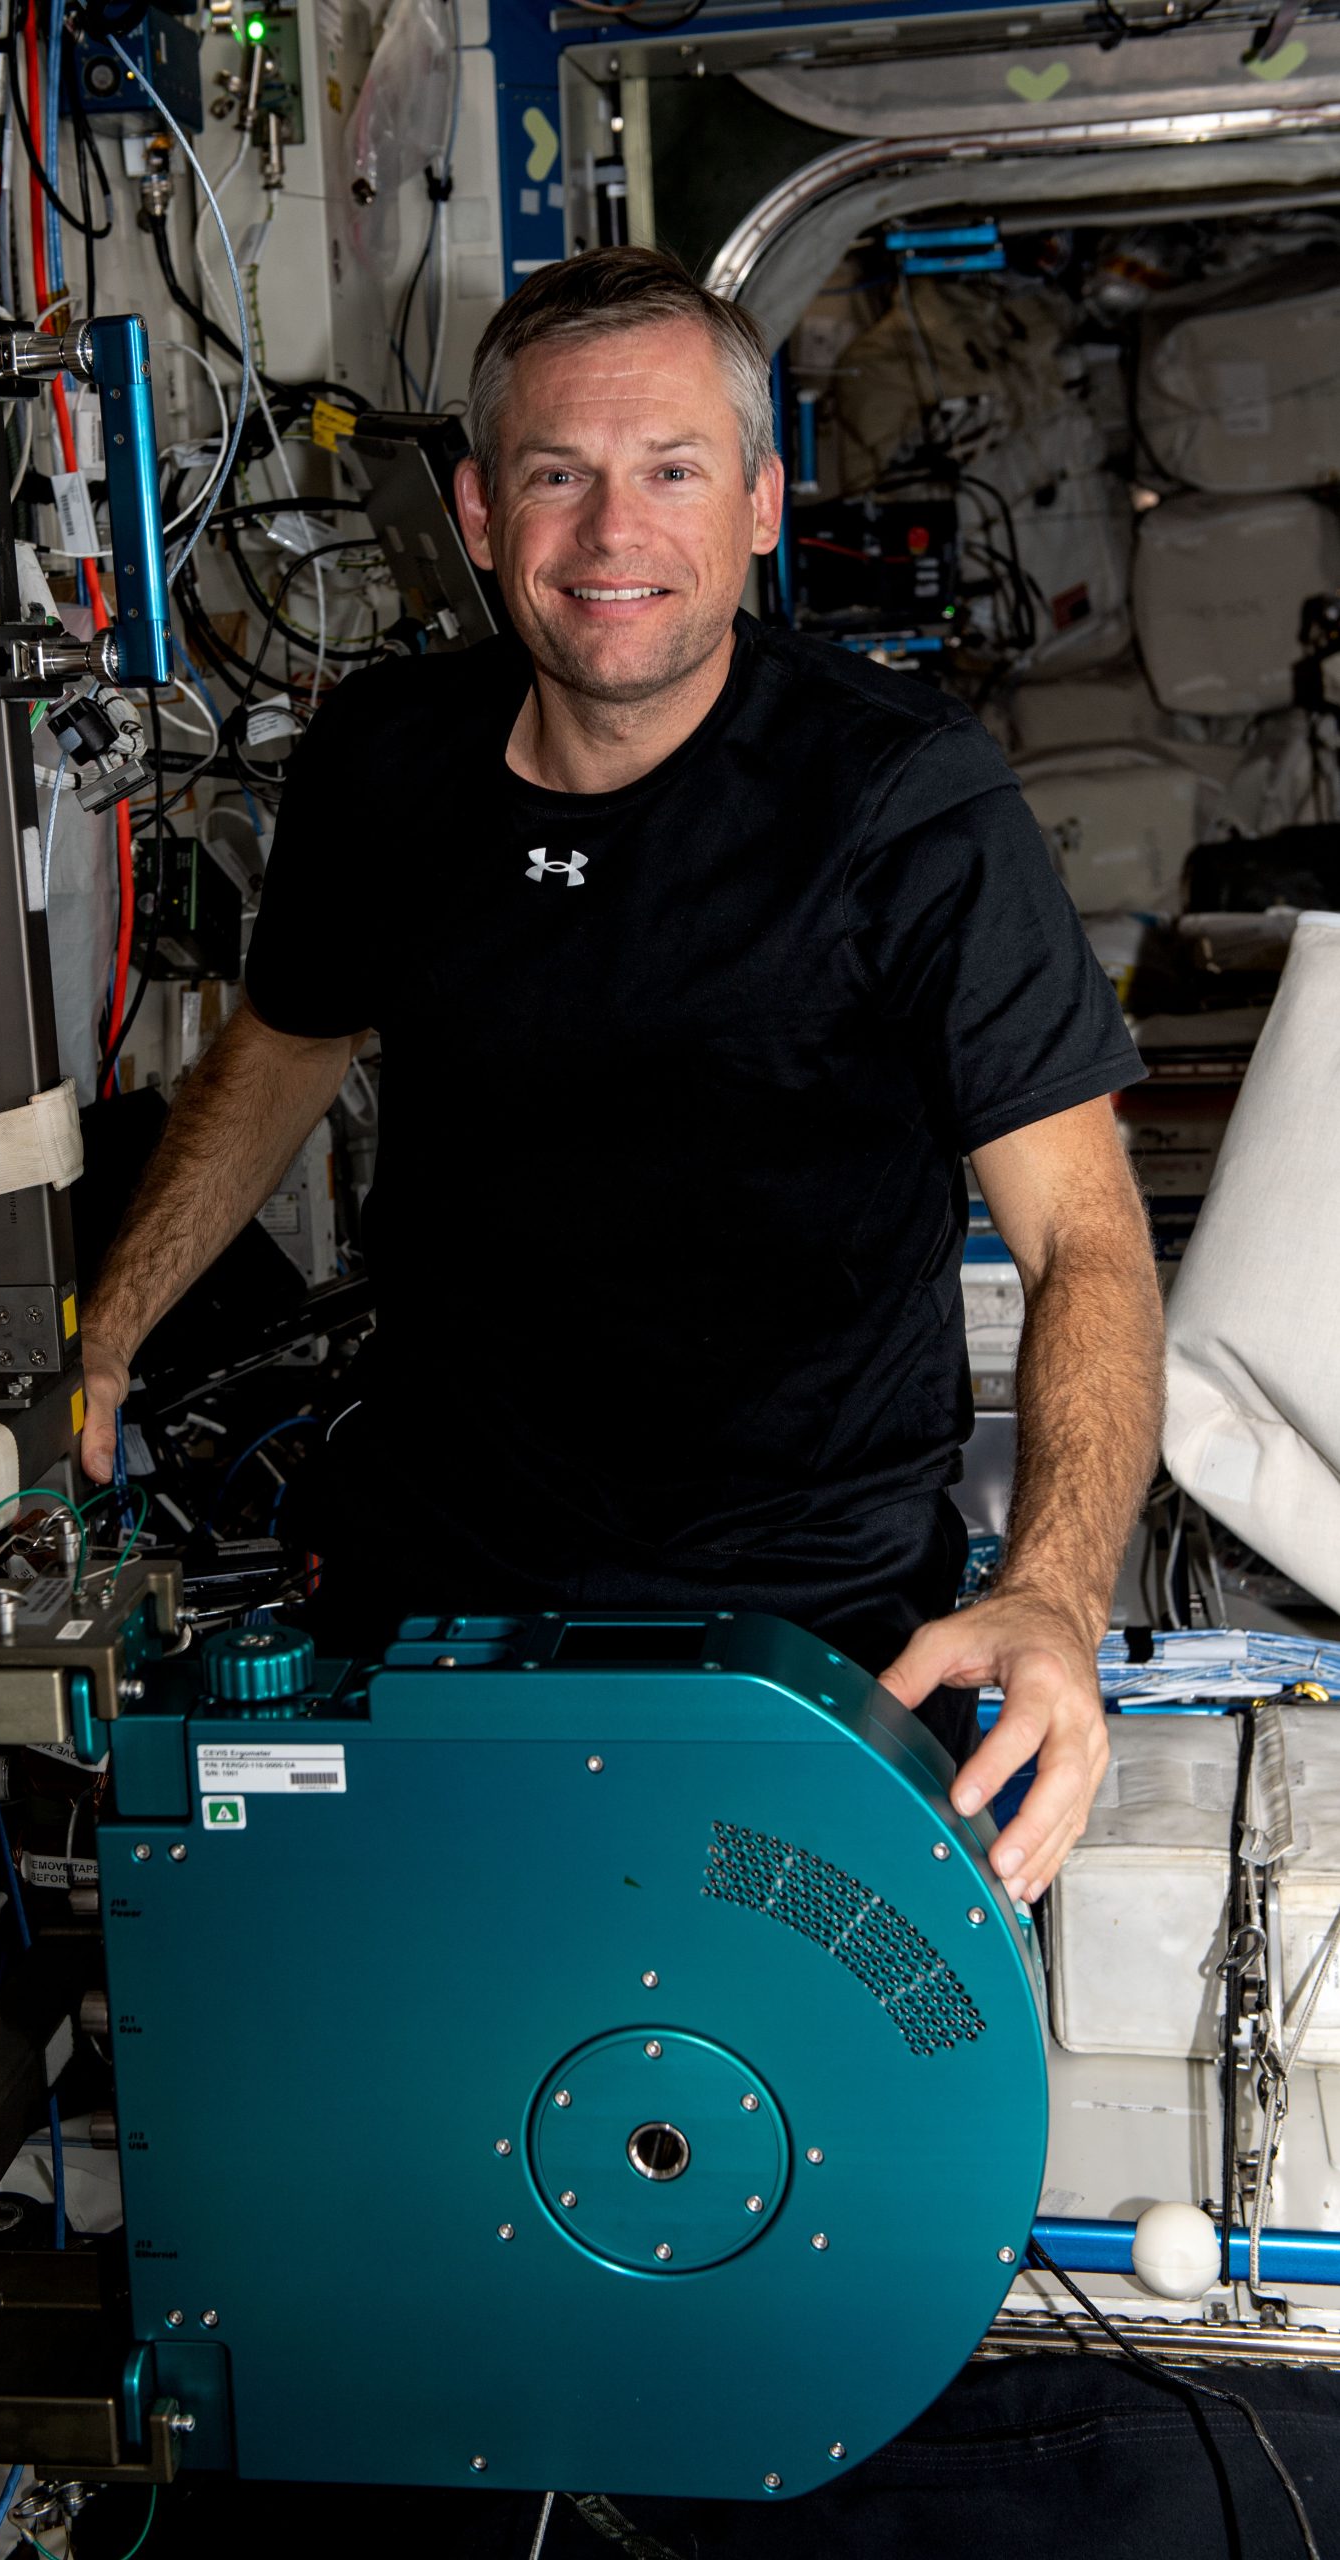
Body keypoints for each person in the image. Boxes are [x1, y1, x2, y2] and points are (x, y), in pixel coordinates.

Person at [82, 246, 1164, 1906]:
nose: (612, 537)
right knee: (402, 2061)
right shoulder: (388, 767)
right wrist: (113, 1327)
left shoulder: (904, 805)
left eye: (672, 472)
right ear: (475, 511)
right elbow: (280, 1054)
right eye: (557, 478)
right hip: (439, 1590)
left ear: (759, 505)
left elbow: (1086, 1241)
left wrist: (1054, 1603)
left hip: (805, 1613)